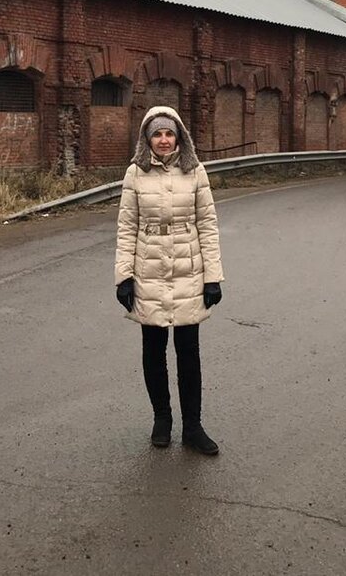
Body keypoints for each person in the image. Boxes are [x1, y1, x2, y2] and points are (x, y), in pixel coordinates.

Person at [115, 105, 224, 455]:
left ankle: (193, 427)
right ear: (147, 138)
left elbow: (207, 224)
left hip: (188, 270)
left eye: (169, 133)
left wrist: (212, 277)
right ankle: (162, 419)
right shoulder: (135, 173)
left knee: (188, 352)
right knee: (153, 349)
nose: (163, 140)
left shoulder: (194, 171)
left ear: (179, 136)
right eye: (157, 134)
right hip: (148, 269)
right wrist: (124, 276)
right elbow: (126, 227)